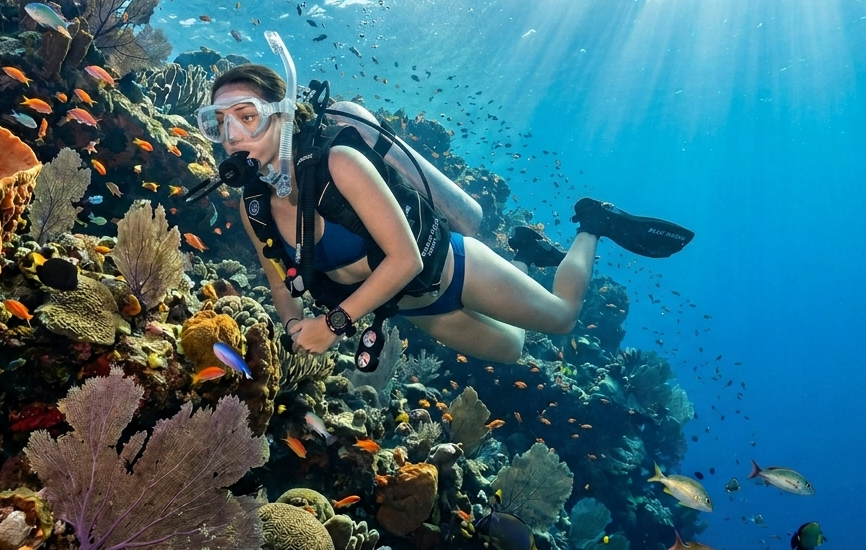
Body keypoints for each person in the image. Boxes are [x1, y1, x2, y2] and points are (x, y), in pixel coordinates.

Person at [194, 37, 693, 364]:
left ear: (281, 114)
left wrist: (334, 324)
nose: (233, 134)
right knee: (516, 350)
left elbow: (406, 257)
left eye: (247, 114)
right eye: (220, 123)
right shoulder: (252, 205)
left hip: (452, 268)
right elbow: (281, 279)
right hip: (417, 309)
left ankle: (591, 225)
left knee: (561, 319)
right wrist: (294, 325)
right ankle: (533, 256)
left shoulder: (339, 166)